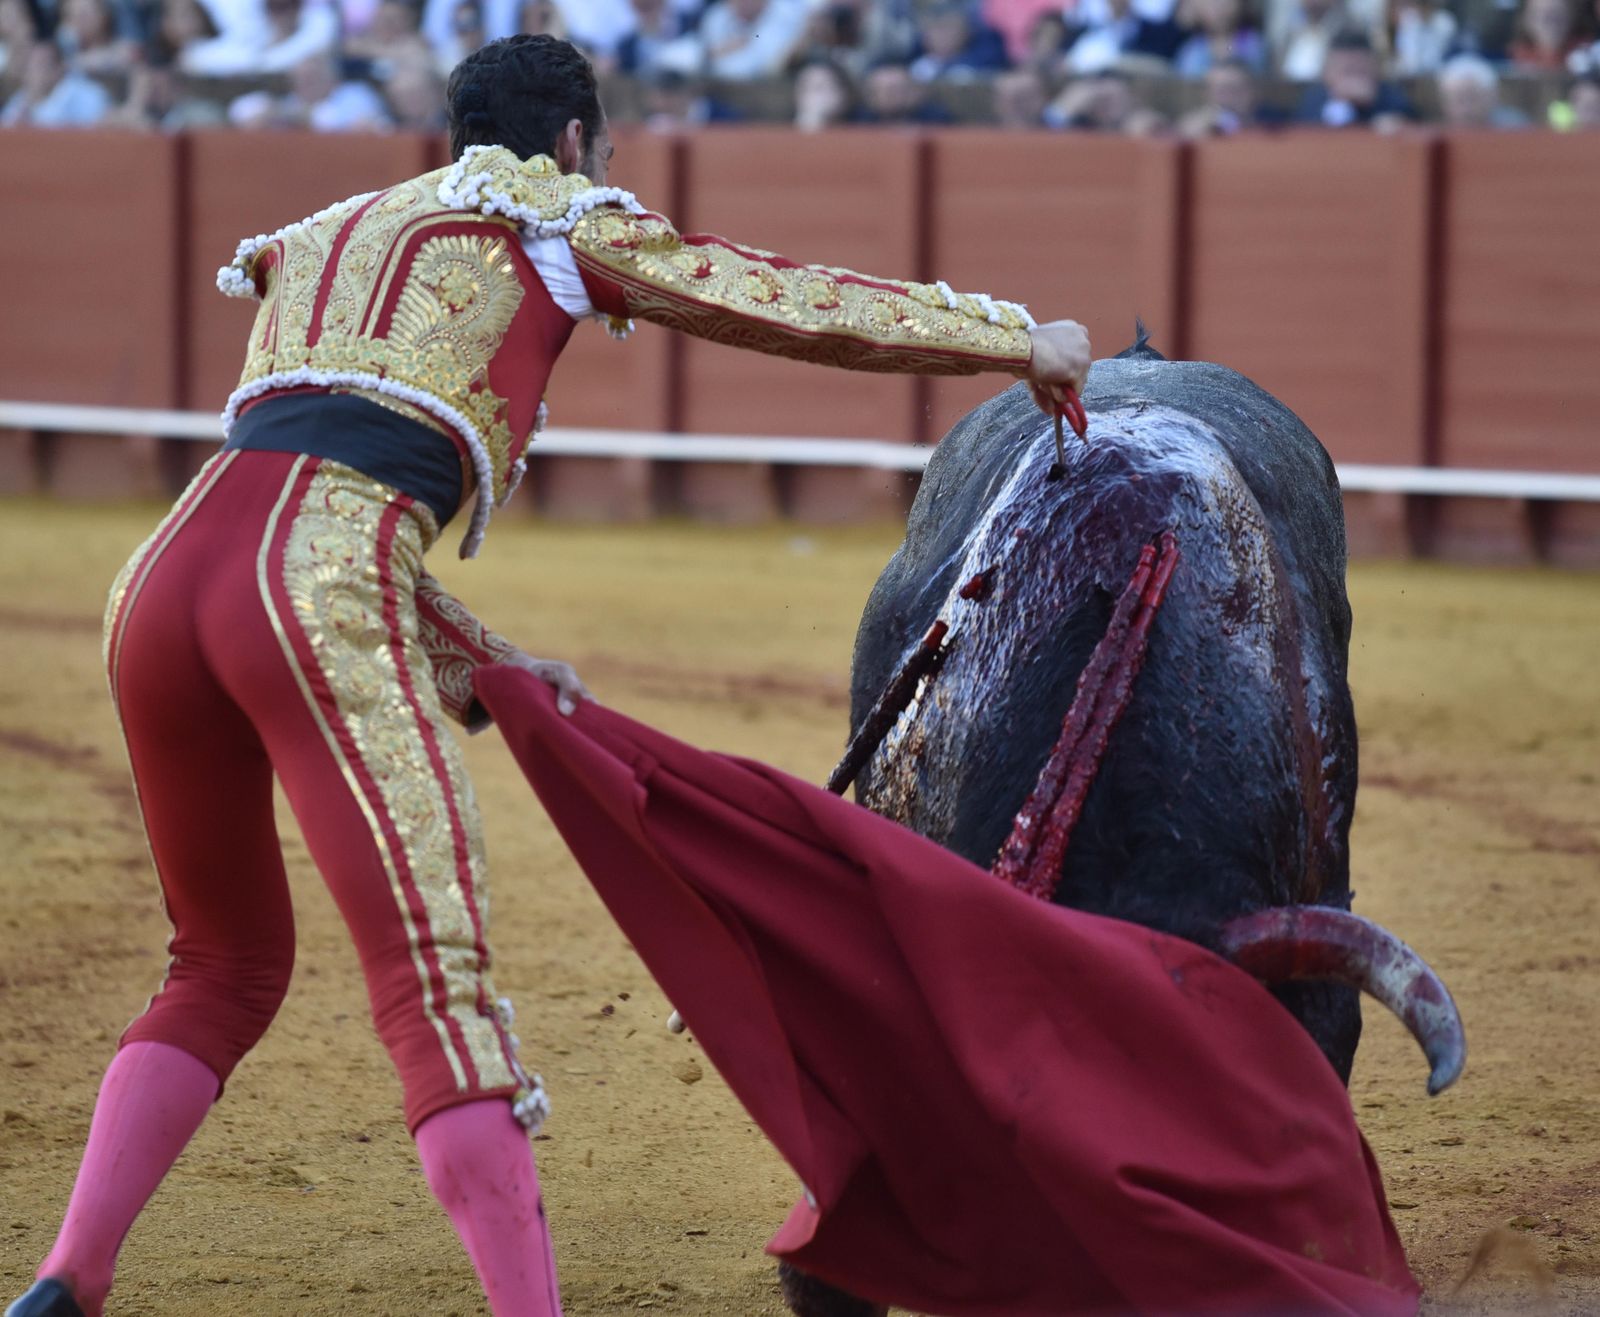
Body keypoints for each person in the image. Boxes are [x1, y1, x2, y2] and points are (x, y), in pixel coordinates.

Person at [5, 32, 1091, 1317]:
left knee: (222, 961)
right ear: (572, 142)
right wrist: (1012, 339)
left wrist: (487, 668)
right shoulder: (554, 218)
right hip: (307, 582)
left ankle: (72, 1273)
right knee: (430, 988)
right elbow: (772, 298)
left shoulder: (333, 234)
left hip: (160, 587)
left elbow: (303, 480)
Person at [1435, 50, 1530, 124]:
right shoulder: (1435, 134)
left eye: (1473, 98)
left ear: (1492, 97)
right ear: (1445, 103)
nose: (1467, 110)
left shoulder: (1515, 129)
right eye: (1460, 100)